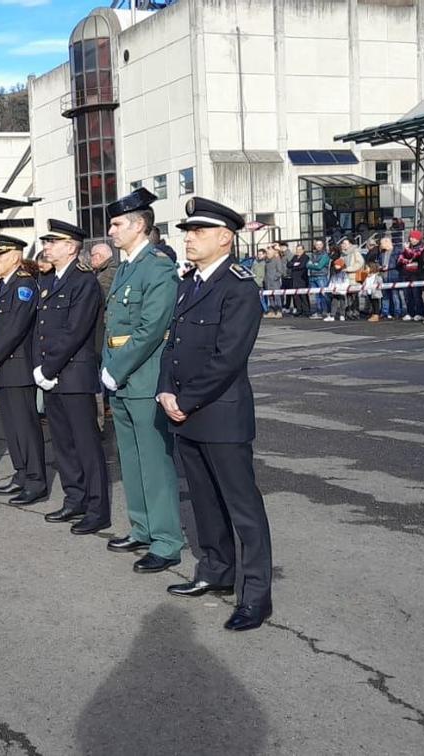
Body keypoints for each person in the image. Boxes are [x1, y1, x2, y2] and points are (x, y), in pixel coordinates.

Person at [157, 197, 273, 632]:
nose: (188, 238)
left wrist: (184, 401)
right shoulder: (189, 284)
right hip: (185, 412)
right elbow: (173, 345)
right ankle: (216, 570)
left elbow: (228, 357)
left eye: (198, 232)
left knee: (243, 508)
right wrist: (166, 389)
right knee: (204, 502)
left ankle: (256, 596)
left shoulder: (239, 286)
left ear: (225, 237)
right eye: (187, 232)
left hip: (220, 414)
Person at [100, 188, 185, 573]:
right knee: (131, 460)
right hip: (122, 378)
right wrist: (110, 367)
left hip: (143, 376)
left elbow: (151, 329)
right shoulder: (127, 267)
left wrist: (115, 369)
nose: (111, 231)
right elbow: (114, 327)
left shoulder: (157, 266)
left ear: (138, 225)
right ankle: (142, 527)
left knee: (154, 462)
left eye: (117, 224)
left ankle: (167, 539)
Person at [33, 220, 112, 534]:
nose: (47, 246)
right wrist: (44, 369)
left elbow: (75, 331)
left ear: (70, 246)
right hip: (53, 375)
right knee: (64, 444)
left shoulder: (83, 282)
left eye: (53, 241)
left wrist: (48, 368)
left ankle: (97, 508)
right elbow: (44, 330)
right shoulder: (52, 280)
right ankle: (74, 498)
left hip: (74, 374)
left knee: (86, 445)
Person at [0, 234, 46, 504]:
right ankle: (20, 473)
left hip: (17, 365)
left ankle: (35, 479)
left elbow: (16, 326)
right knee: (11, 426)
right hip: (2, 366)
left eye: (0, 256)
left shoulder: (23, 285)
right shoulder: (4, 286)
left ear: (16, 257)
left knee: (25, 426)